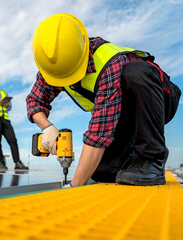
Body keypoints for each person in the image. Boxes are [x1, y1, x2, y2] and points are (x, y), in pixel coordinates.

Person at [26, 13, 181, 187]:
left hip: (158, 98)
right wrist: (46, 127)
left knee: (135, 72)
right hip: (123, 114)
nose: (66, 81)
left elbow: (99, 133)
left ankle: (151, 158)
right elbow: (34, 102)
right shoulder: (53, 68)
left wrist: (74, 186)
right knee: (103, 172)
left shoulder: (108, 63)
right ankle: (131, 160)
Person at [0, 70, 29, 170]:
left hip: (5, 119)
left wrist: (7, 105)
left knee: (13, 140)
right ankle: (1, 163)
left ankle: (17, 163)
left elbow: (9, 107)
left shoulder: (3, 92)